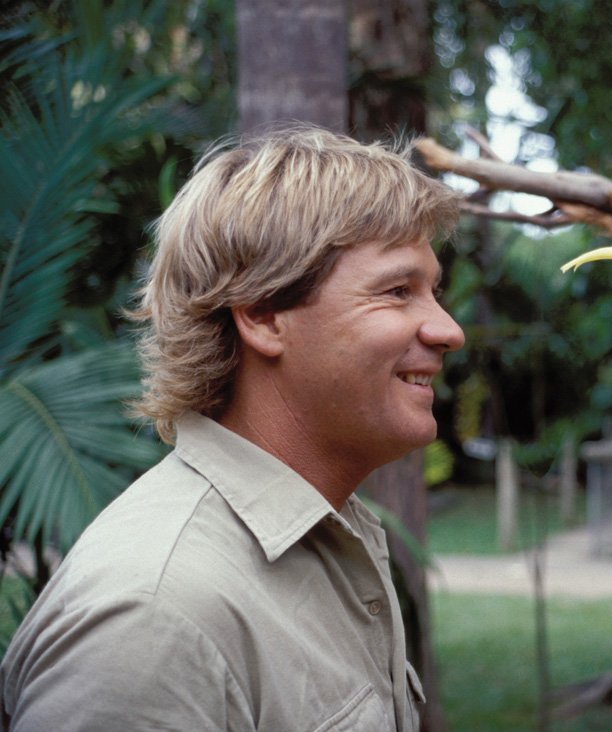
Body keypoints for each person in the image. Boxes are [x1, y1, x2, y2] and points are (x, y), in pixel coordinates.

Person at [0, 125, 465, 731]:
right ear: (263, 315)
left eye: (432, 291)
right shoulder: (154, 615)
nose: (448, 330)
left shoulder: (330, 535)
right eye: (398, 291)